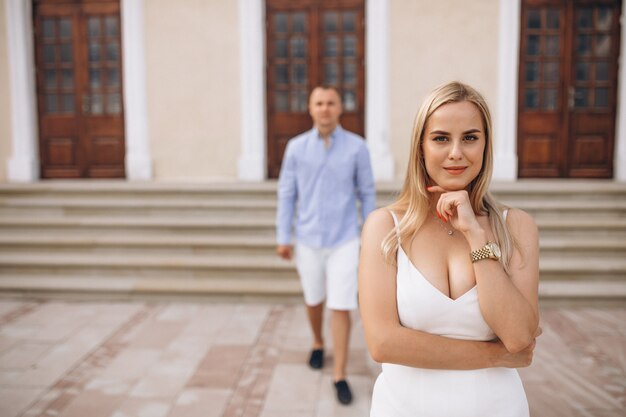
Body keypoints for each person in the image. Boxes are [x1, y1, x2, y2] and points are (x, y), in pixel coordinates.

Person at [359, 81, 541, 416]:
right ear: (421, 147)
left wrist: (475, 235)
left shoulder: (516, 226)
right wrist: (494, 355)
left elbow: (518, 338)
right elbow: (383, 343)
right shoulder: (385, 228)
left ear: (486, 146)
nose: (456, 152)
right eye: (441, 138)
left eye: (470, 138)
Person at [276, 85, 376, 405]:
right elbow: (287, 194)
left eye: (330, 103)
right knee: (314, 299)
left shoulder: (358, 148)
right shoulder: (295, 148)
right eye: (319, 103)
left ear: (339, 108)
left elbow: (367, 193)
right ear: (310, 108)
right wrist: (283, 236)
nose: (325, 108)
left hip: (345, 238)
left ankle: (340, 374)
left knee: (342, 304)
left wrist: (370, 235)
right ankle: (318, 342)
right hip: (307, 239)